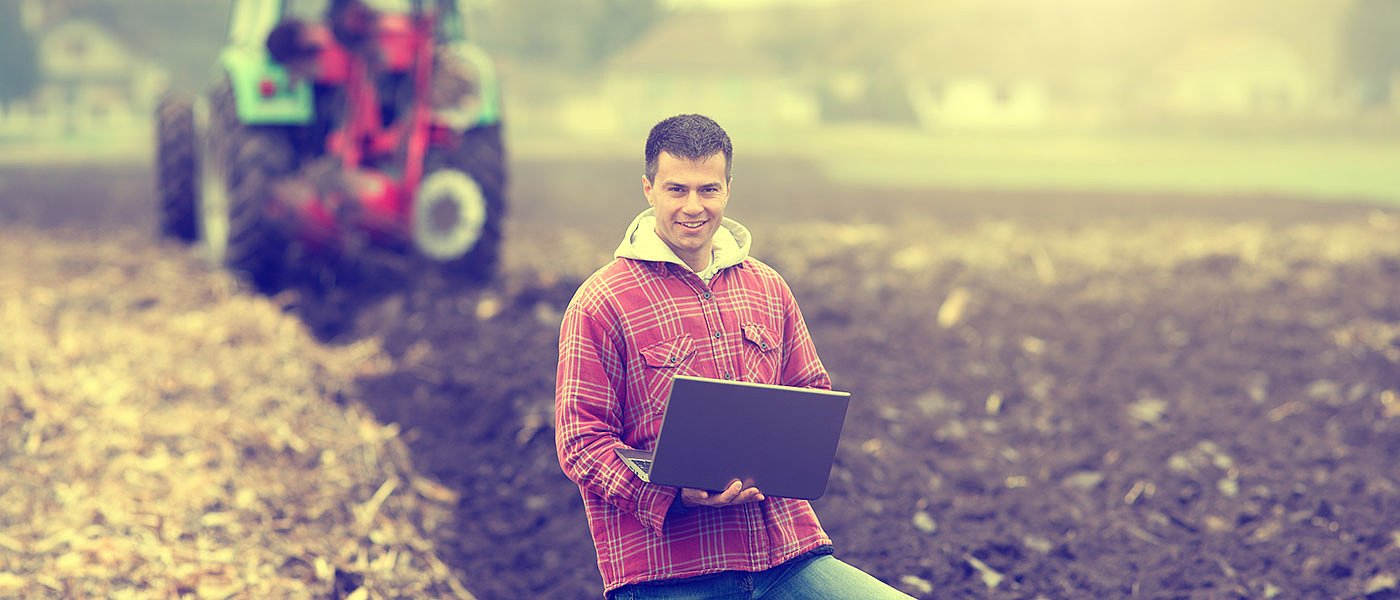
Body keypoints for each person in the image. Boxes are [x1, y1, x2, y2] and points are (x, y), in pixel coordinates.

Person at [555, 114, 914, 599]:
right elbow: (581, 441)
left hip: (785, 555)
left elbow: (810, 392)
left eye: (708, 190)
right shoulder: (601, 302)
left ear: (728, 190)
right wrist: (671, 493)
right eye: (676, 189)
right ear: (648, 189)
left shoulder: (766, 287)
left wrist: (783, 456)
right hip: (670, 573)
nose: (693, 206)